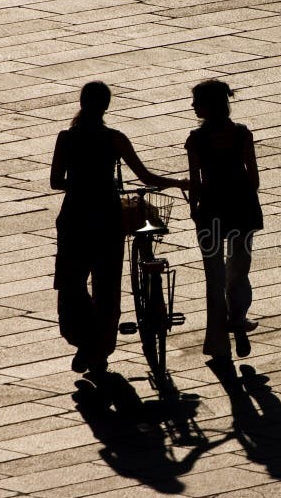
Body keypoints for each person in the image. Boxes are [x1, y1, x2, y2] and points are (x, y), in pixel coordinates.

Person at [51, 81, 188, 375]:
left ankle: (84, 339)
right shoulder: (115, 139)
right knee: (107, 287)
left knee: (72, 284)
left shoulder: (66, 138)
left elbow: (56, 181)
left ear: (81, 102)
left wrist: (80, 183)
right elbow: (145, 174)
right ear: (106, 106)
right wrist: (177, 182)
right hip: (106, 218)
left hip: (75, 217)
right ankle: (99, 348)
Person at [185, 79, 262, 367]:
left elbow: (196, 181)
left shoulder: (196, 139)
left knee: (214, 277)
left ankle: (219, 344)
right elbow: (253, 178)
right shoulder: (242, 134)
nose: (193, 106)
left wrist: (194, 210)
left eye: (197, 101)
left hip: (212, 212)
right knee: (239, 269)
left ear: (209, 105)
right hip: (242, 209)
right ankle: (238, 320)